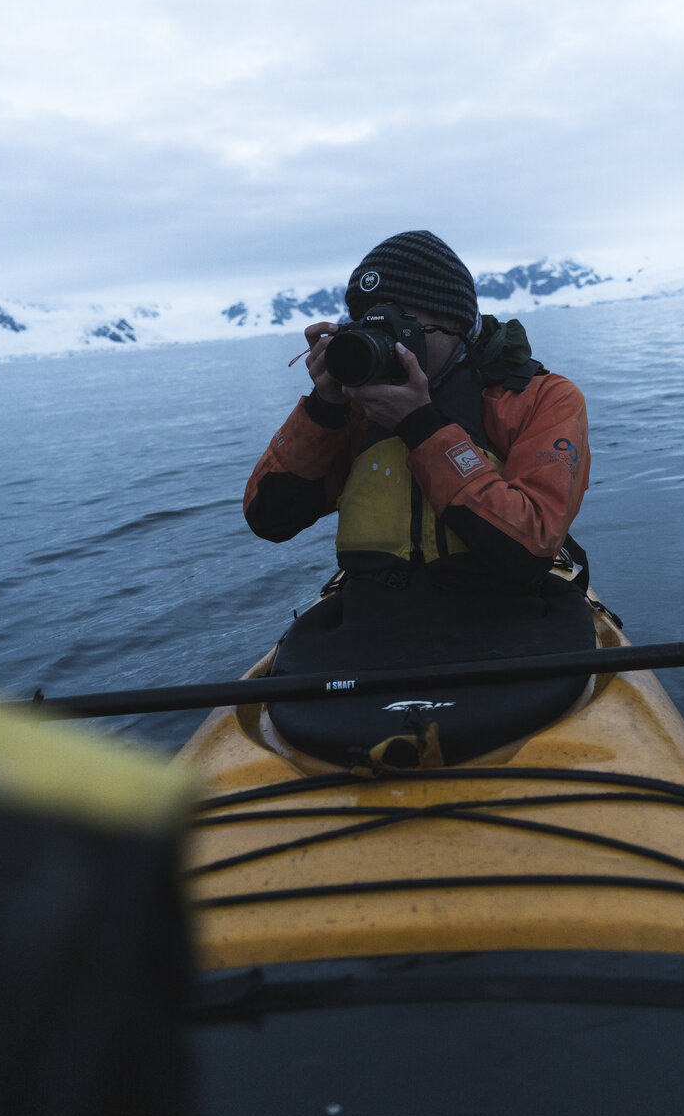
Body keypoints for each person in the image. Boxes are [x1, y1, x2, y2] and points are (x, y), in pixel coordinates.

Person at [243, 231, 595, 768]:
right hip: (370, 628)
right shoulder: (351, 409)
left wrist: (419, 424)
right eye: (371, 324)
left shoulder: (540, 399)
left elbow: (528, 549)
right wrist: (324, 409)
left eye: (407, 327)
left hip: (507, 620)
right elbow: (269, 517)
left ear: (459, 326)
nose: (390, 344)